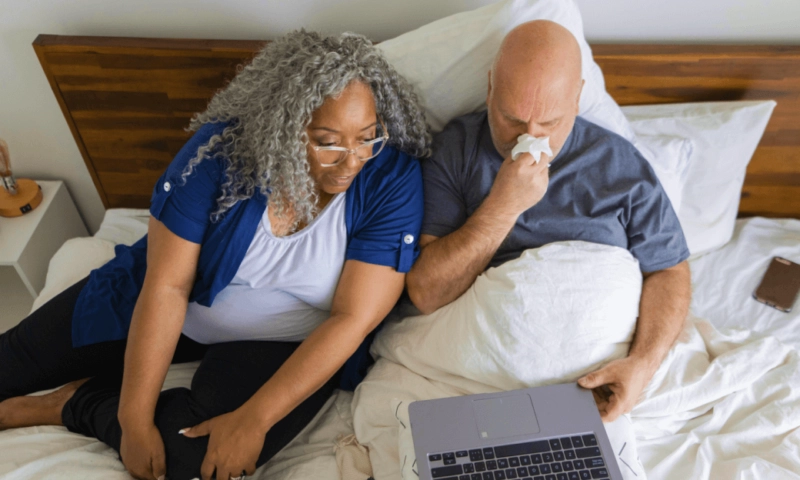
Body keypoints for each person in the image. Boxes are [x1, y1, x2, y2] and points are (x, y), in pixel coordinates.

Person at [0, 30, 430, 480]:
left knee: (193, 464)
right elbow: (167, 286)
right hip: (175, 308)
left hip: (280, 347)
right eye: (328, 141)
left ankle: (77, 402)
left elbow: (353, 319)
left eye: (367, 137)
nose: (352, 161)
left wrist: (255, 419)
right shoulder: (217, 155)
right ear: (282, 128)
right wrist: (132, 417)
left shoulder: (391, 179)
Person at [405, 20, 691, 423]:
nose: (530, 139)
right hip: (479, 377)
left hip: (599, 384)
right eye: (513, 120)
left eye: (550, 124)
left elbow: (669, 268)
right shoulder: (457, 150)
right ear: (490, 90)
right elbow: (426, 293)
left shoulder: (619, 164)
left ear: (577, 97)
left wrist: (643, 365)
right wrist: (503, 206)